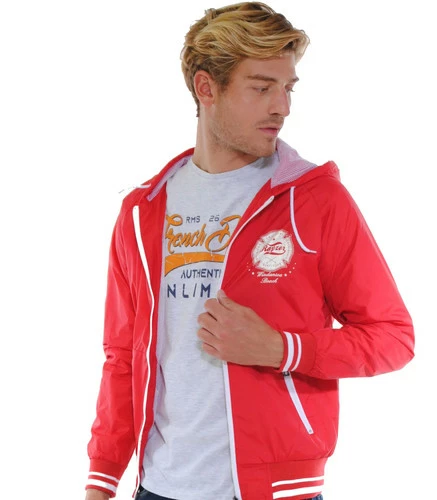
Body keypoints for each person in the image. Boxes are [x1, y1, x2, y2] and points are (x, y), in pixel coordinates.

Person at [85, 2, 415, 500]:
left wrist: (282, 348)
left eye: (288, 88)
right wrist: (103, 477)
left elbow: (393, 337)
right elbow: (123, 356)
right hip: (157, 488)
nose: (282, 106)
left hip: (276, 490)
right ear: (206, 88)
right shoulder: (140, 211)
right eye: (262, 88)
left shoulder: (315, 200)